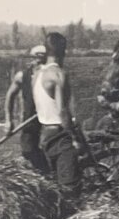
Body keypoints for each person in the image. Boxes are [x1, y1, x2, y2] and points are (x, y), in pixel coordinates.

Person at [33, 31, 91, 195]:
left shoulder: (37, 75)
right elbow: (62, 111)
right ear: (63, 51)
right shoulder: (58, 75)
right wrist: (74, 138)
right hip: (60, 137)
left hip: (44, 134)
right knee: (70, 187)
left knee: (55, 185)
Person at [4, 44, 50, 173]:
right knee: (28, 151)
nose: (40, 63)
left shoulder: (52, 76)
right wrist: (9, 120)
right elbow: (10, 96)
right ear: (31, 59)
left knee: (52, 148)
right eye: (37, 59)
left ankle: (52, 175)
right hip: (30, 119)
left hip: (49, 119)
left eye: (43, 60)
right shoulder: (22, 76)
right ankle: (46, 174)